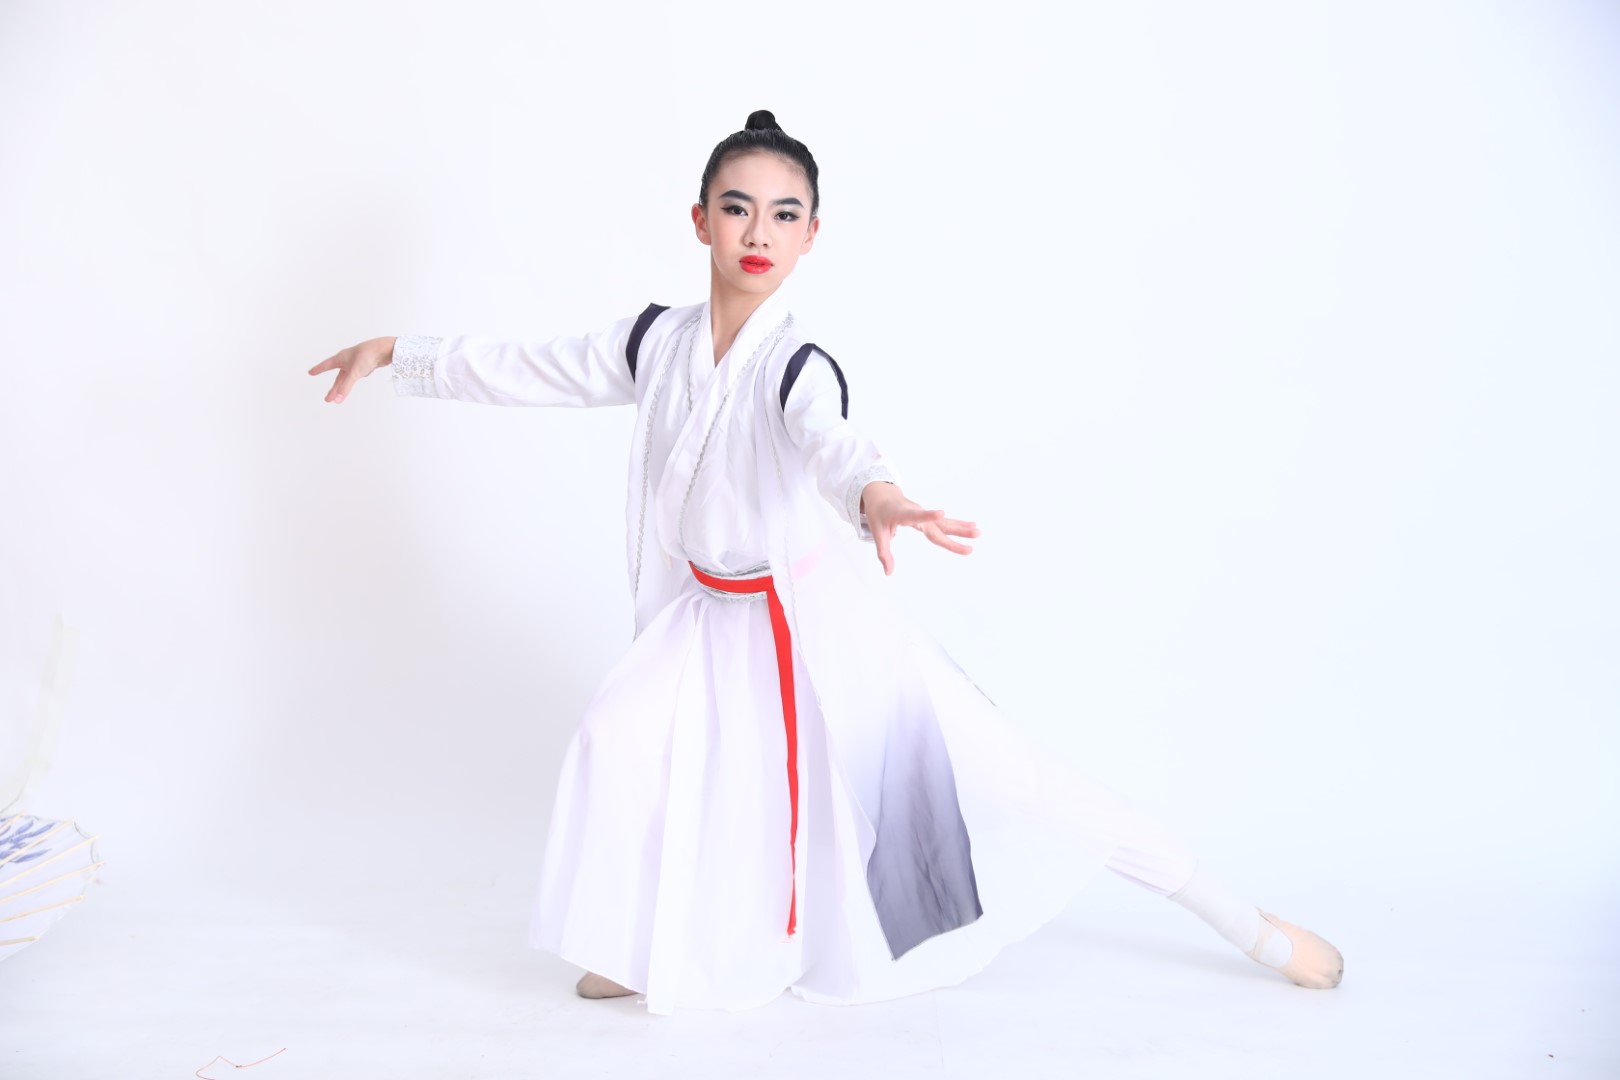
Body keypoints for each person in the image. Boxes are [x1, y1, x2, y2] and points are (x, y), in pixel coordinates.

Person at [308, 110, 1343, 1015]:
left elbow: (833, 444)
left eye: (784, 213)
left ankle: (1249, 925)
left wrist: (877, 498)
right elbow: (533, 367)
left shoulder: (797, 365)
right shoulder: (656, 341)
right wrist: (399, 352)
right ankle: (637, 948)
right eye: (738, 208)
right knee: (614, 742)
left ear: (813, 233)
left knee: (1019, 781)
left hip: (812, 625)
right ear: (700, 220)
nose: (758, 233)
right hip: (705, 618)